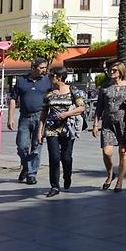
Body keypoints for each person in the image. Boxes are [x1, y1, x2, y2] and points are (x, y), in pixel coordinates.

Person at [92, 62, 126, 193]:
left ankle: (119, 180)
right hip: (108, 123)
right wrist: (95, 124)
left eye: (114, 70)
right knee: (107, 152)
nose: (111, 72)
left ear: (121, 72)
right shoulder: (105, 87)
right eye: (110, 70)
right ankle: (110, 174)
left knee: (123, 152)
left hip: (125, 122)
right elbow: (99, 107)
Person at [35, 69, 85, 197]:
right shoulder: (49, 93)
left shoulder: (72, 90)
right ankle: (55, 186)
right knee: (54, 158)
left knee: (66, 158)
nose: (50, 78)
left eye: (51, 76)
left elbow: (82, 107)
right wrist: (40, 131)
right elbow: (44, 112)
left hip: (68, 128)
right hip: (51, 129)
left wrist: (67, 114)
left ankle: (67, 176)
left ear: (59, 77)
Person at [7, 59, 52, 185]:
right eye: (42, 67)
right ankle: (26, 166)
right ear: (33, 67)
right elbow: (13, 99)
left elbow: (54, 96)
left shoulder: (47, 82)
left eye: (45, 68)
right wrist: (10, 118)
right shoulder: (21, 81)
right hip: (25, 118)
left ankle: (31, 174)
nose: (44, 70)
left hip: (41, 118)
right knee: (21, 146)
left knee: (37, 147)